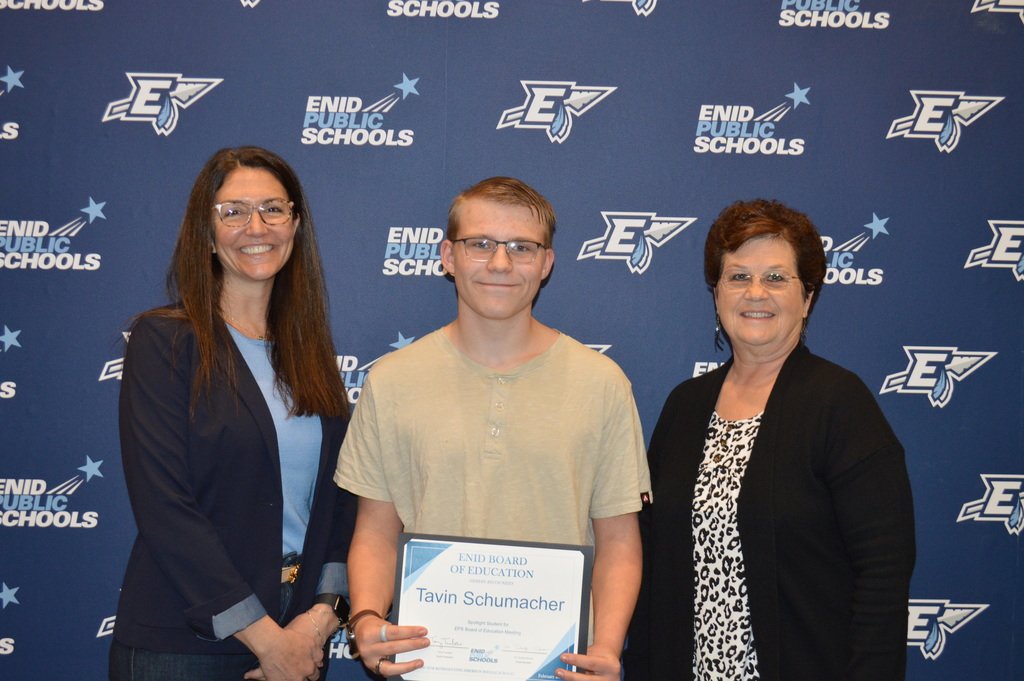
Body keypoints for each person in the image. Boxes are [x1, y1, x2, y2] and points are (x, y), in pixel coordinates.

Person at [334, 177, 652, 680]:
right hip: (429, 664)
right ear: (447, 256)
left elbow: (617, 540)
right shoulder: (392, 380)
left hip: (556, 668)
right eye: (480, 244)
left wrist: (606, 649)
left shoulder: (602, 383)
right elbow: (375, 528)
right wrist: (368, 616)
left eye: (522, 248)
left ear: (546, 263)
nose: (500, 263)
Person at [625, 199, 916, 681]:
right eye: (738, 277)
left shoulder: (839, 404)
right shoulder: (686, 407)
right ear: (716, 293)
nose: (755, 293)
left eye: (776, 278)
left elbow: (883, 575)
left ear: (807, 298)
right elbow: (652, 560)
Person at [110, 146, 353, 681]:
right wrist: (266, 639)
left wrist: (320, 618)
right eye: (233, 211)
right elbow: (164, 505)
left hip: (300, 635)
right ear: (206, 232)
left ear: (295, 224)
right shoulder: (165, 341)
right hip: (185, 642)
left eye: (273, 208)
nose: (256, 226)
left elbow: (340, 502)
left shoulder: (310, 352)